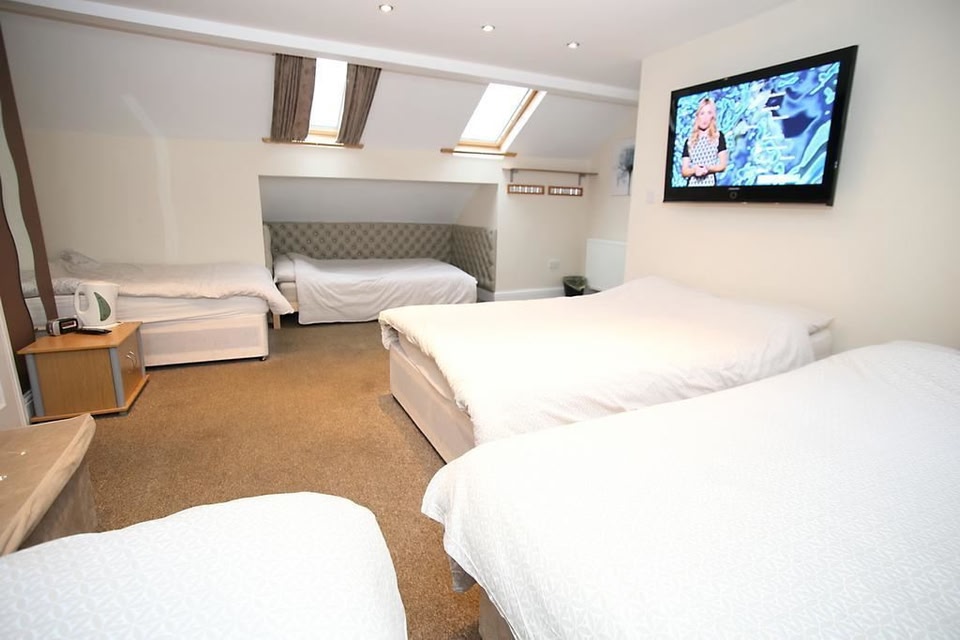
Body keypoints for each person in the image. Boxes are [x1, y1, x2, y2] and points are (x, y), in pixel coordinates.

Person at [681, 97, 729, 186]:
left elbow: (723, 166)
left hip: (710, 186)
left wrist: (708, 169)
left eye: (709, 113)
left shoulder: (718, 137)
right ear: (697, 116)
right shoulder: (689, 141)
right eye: (702, 113)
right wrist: (694, 170)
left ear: (712, 116)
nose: (705, 118)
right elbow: (684, 171)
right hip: (691, 187)